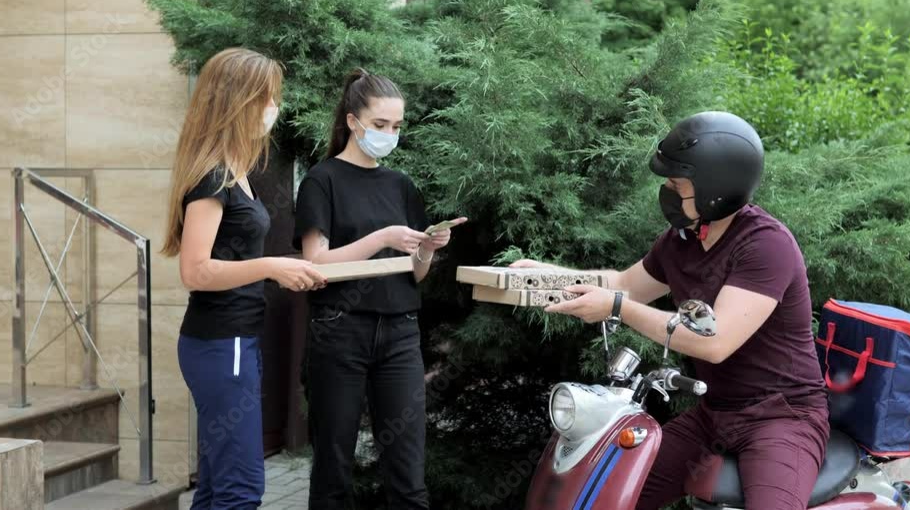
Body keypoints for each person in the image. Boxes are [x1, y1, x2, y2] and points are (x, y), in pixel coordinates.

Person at [514, 111, 830, 510]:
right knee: (613, 494)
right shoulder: (681, 241)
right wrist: (552, 275)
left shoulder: (765, 246)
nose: (666, 191)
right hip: (713, 413)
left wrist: (616, 309)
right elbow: (625, 285)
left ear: (715, 190)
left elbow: (715, 343)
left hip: (782, 418)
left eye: (675, 184)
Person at [162, 47, 327, 509]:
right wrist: (273, 267)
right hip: (221, 342)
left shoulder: (237, 173)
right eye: (267, 98)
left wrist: (280, 271)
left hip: (233, 342)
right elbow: (194, 270)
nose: (273, 108)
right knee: (241, 489)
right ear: (237, 102)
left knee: (218, 487)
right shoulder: (213, 178)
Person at [293, 68, 464, 510]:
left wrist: (427, 248)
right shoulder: (322, 180)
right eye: (380, 125)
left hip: (400, 334)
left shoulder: (400, 185)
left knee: (408, 473)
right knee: (333, 467)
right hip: (338, 331)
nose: (389, 134)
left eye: (396, 127)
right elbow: (315, 265)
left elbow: (415, 274)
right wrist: (382, 237)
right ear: (352, 121)